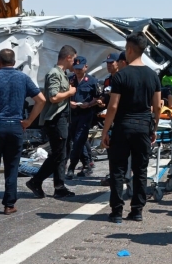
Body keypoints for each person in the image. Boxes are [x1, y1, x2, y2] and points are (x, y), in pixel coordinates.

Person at [0, 48, 46, 216]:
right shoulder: (23, 78)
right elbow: (41, 100)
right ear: (14, 62)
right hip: (15, 126)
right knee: (12, 166)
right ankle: (9, 204)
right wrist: (28, 121)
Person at [100, 31, 161, 224]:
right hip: (143, 126)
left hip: (123, 126)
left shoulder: (120, 76)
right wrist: (154, 127)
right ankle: (137, 210)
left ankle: (117, 211)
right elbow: (158, 106)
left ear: (129, 49)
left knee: (118, 169)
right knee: (140, 169)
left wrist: (105, 131)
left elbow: (113, 106)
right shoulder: (153, 76)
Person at [26, 45, 78, 199]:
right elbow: (53, 97)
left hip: (62, 118)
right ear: (68, 57)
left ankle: (59, 186)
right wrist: (70, 92)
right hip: (55, 119)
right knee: (57, 154)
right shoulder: (54, 74)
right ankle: (36, 181)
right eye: (74, 59)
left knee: (63, 153)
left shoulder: (63, 74)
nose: (74, 63)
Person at [66, 56, 101, 178]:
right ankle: (87, 163)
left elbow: (98, 98)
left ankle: (72, 167)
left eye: (80, 68)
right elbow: (65, 95)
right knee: (76, 139)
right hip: (73, 114)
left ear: (86, 67)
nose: (78, 71)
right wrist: (70, 103)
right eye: (76, 68)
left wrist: (89, 104)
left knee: (78, 140)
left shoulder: (92, 81)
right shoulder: (70, 80)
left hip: (86, 114)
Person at [99, 53, 120, 187]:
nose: (109, 66)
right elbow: (105, 97)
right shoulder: (107, 80)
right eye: (107, 63)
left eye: (111, 63)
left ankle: (119, 175)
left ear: (118, 63)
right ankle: (113, 175)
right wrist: (101, 101)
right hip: (109, 117)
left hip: (120, 117)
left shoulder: (122, 78)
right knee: (110, 148)